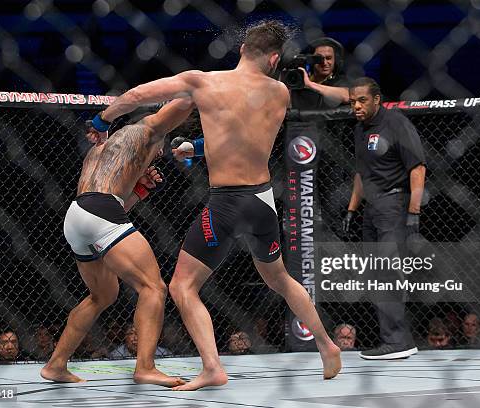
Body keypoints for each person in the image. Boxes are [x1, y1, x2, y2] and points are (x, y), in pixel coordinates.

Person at [88, 19, 341, 391]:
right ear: (274, 59)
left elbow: (139, 95)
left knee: (182, 286)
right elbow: (249, 138)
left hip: (227, 204)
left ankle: (212, 367)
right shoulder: (280, 93)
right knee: (280, 278)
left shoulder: (203, 82)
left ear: (241, 49)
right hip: (263, 201)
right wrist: (199, 148)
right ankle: (327, 344)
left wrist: (102, 119)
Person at [40, 99, 193, 386]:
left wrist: (139, 191)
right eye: (160, 150)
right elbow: (176, 106)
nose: (158, 155)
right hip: (100, 212)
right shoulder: (147, 131)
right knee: (153, 287)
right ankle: (145, 367)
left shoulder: (101, 149)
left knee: (103, 295)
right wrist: (199, 92)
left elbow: (111, 205)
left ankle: (56, 364)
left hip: (78, 216)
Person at [342, 76, 425, 360]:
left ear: (377, 99)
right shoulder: (359, 130)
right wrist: (352, 209)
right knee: (375, 275)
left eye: (362, 100)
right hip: (372, 208)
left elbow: (417, 168)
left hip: (394, 202)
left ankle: (398, 340)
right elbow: (360, 175)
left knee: (388, 273)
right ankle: (392, 338)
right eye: (353, 101)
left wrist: (413, 213)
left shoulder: (397, 123)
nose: (356, 106)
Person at [291, 37, 349, 109]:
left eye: (328, 58)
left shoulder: (342, 81)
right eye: (318, 59)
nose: (324, 63)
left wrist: (309, 84)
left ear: (335, 60)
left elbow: (348, 96)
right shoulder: (297, 81)